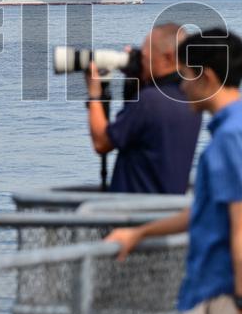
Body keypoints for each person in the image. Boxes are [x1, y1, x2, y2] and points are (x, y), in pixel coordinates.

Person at [104, 30, 242, 314]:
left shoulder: (232, 138)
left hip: (224, 295)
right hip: (228, 292)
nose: (181, 87)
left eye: (185, 75)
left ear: (206, 76)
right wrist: (139, 233)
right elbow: (206, 211)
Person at [85, 23, 203, 194]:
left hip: (135, 211)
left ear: (168, 57)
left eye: (146, 57)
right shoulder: (191, 100)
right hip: (167, 208)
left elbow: (101, 142)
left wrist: (94, 95)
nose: (142, 60)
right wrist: (136, 80)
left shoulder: (150, 101)